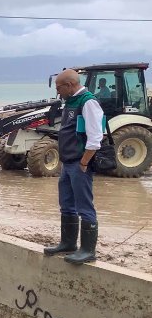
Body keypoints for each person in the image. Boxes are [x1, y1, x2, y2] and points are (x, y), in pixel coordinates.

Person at [43, 69, 104, 264]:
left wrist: (84, 162)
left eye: (59, 88)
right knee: (66, 205)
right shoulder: (71, 102)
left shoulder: (88, 102)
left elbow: (95, 138)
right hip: (68, 162)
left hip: (79, 163)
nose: (58, 93)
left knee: (84, 206)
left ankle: (88, 250)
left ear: (69, 85)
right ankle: (68, 243)